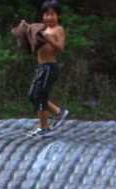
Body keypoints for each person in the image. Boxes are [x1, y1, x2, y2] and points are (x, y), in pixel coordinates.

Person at [26, 0, 69, 137]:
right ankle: (58, 112)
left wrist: (50, 39)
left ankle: (44, 128)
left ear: (58, 16)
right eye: (46, 14)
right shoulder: (43, 30)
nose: (49, 17)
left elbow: (60, 48)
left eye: (52, 14)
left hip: (50, 67)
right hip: (42, 67)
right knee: (32, 95)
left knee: (40, 95)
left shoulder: (58, 30)